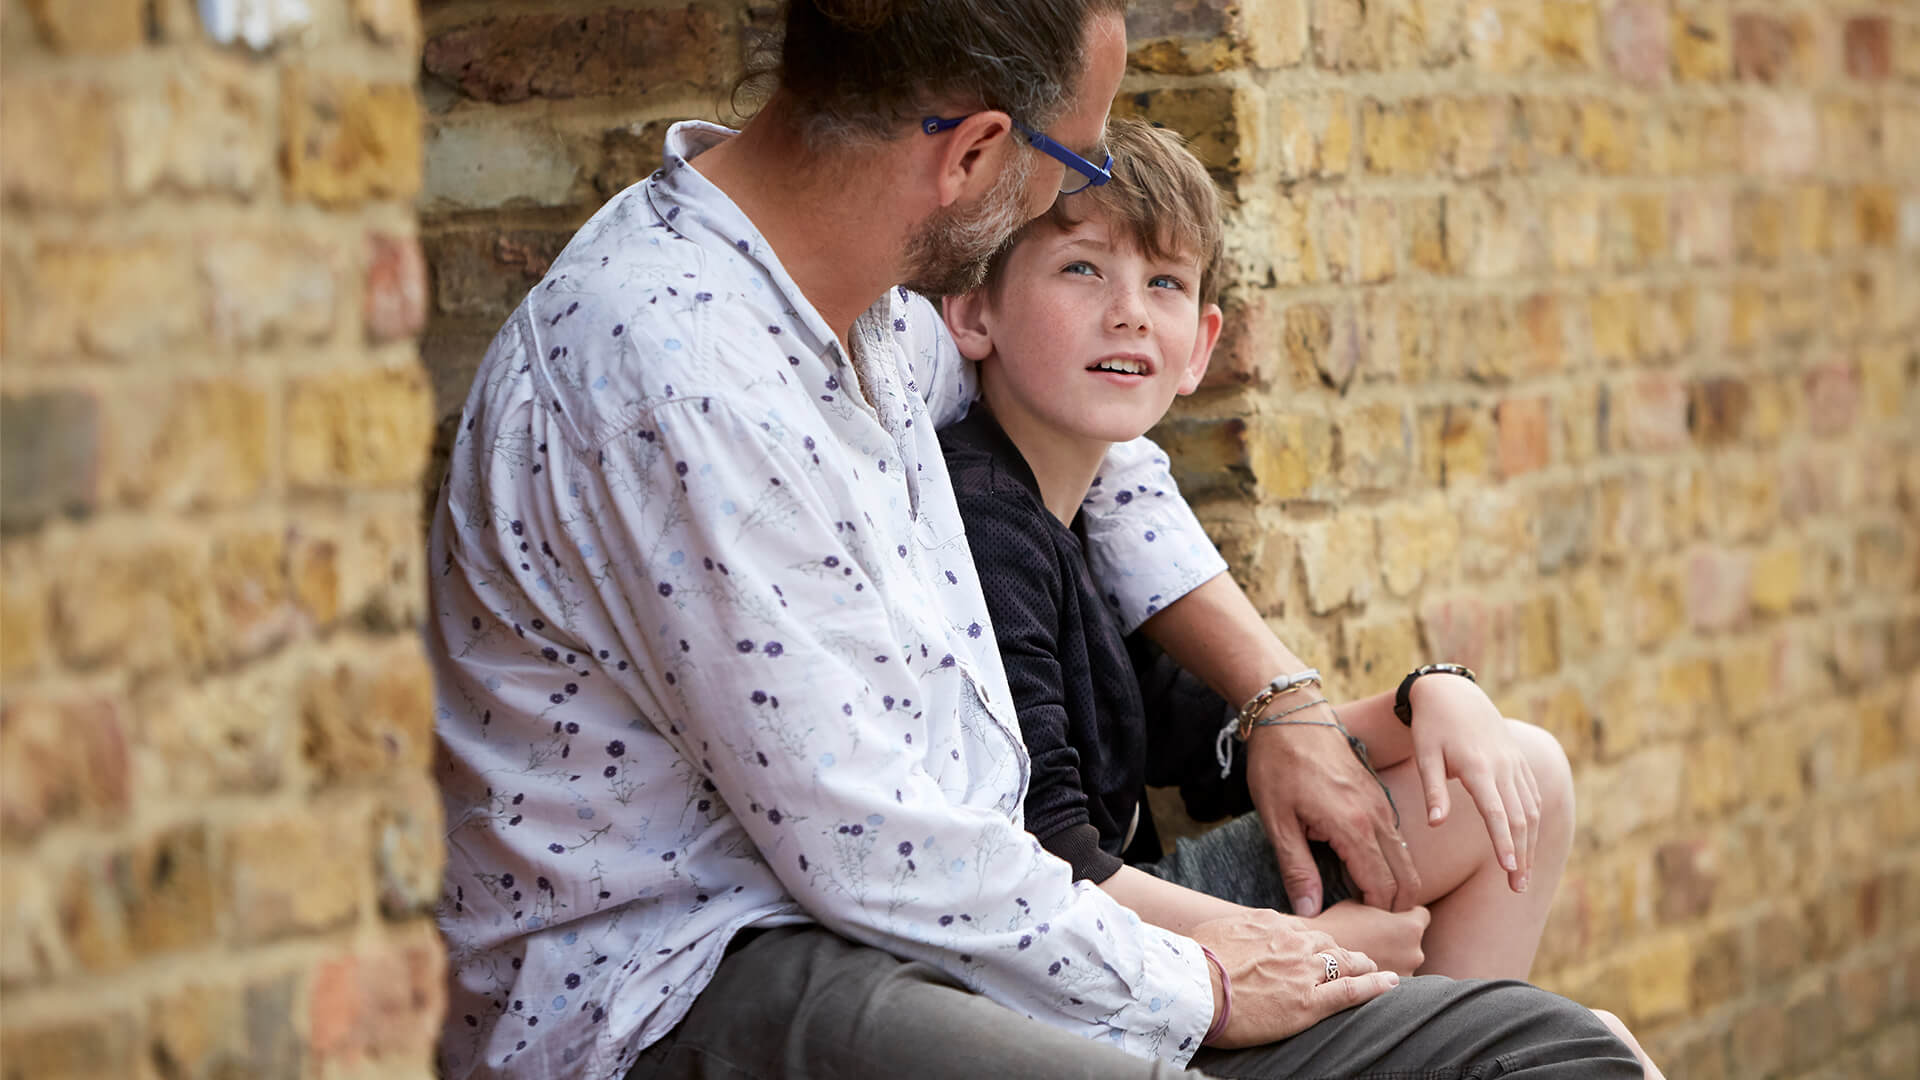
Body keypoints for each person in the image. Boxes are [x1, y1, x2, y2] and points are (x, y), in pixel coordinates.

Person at [425, 2, 1644, 1077]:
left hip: (955, 932)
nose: (1076, 195)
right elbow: (871, 851)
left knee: (1556, 1053)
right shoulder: (672, 379)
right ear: (975, 153)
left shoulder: (870, 323)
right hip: (699, 977)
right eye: (1076, 161)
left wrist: (1280, 703)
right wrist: (1209, 980)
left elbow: (1102, 448)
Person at [939, 116, 1666, 1077]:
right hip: (1076, 948)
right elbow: (1047, 863)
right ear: (971, 312)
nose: (1129, 314)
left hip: (1126, 905)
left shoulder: (1077, 513)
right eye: (1082, 269)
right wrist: (1322, 952)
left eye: (1163, 283)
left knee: (1519, 772)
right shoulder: (984, 521)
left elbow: (1221, 740)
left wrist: (1433, 695)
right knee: (1583, 1041)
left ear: (1199, 347)